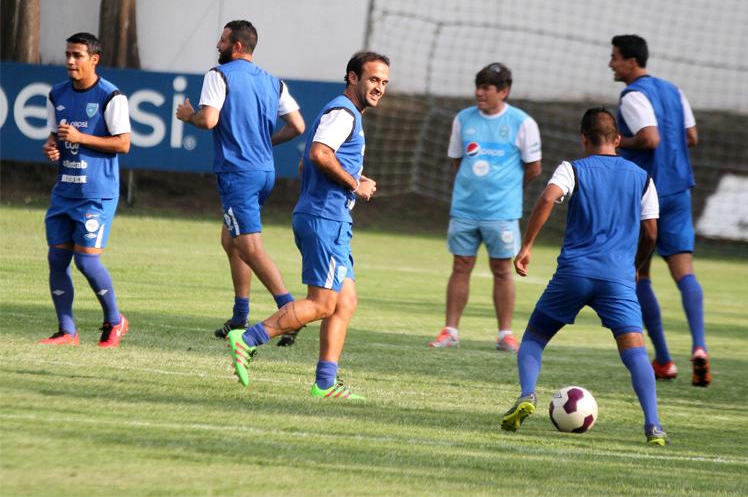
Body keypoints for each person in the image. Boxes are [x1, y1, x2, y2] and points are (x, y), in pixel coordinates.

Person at [225, 51, 390, 397]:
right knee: (322, 304)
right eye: (373, 79)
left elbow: (307, 165)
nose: (379, 88)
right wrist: (353, 183)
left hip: (328, 217)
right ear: (353, 77)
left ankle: (325, 383)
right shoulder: (343, 113)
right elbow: (318, 154)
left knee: (345, 302)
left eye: (384, 82)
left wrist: (353, 176)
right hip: (324, 218)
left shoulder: (343, 114)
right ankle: (249, 338)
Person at [499, 108, 668, 445]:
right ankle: (653, 425)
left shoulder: (573, 168)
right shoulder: (641, 177)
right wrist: (635, 265)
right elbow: (651, 232)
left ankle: (527, 395)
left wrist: (527, 245)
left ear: (584, 139)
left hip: (575, 273)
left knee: (534, 339)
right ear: (618, 140)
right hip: (618, 279)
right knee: (634, 351)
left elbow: (548, 197)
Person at [176, 20, 305, 346]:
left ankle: (290, 314)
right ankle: (239, 314)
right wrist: (264, 142)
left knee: (249, 246)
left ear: (236, 46)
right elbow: (298, 126)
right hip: (264, 172)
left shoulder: (218, 75)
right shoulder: (273, 81)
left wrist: (187, 115)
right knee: (231, 241)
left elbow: (208, 120)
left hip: (238, 173)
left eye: (221, 40)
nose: (217, 46)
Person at [609, 34, 709, 386]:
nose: (611, 64)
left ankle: (664, 359)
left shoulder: (634, 94)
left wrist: (620, 142)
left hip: (648, 193)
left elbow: (650, 139)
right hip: (680, 190)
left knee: (639, 275)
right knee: (685, 272)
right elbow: (692, 137)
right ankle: (699, 346)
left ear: (631, 62)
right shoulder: (673, 90)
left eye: (615, 57)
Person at [429, 63, 542, 352]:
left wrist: (507, 190)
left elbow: (534, 169)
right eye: (478, 86)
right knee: (461, 265)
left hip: (502, 213)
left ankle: (505, 334)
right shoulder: (463, 119)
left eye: (487, 88)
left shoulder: (523, 122)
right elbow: (457, 160)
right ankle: (450, 330)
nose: (480, 93)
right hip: (465, 210)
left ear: (503, 91)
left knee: (503, 270)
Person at [40, 32, 132, 347]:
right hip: (65, 190)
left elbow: (123, 143)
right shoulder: (56, 94)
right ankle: (67, 331)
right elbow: (55, 137)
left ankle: (115, 320)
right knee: (57, 260)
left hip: (97, 192)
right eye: (68, 54)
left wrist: (81, 139)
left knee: (87, 261)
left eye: (77, 55)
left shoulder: (111, 96)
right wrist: (52, 147)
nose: (70, 60)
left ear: (94, 59)